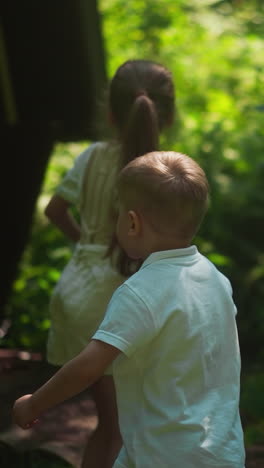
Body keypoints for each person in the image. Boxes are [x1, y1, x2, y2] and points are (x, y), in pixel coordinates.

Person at [13, 151, 245, 468]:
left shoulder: (140, 292)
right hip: (220, 450)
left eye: (118, 214)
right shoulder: (215, 280)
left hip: (161, 455)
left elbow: (88, 366)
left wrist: (34, 404)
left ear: (132, 222)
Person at [43, 60, 175, 467]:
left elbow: (54, 209)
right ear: (167, 115)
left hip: (76, 292)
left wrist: (89, 242)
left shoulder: (92, 155)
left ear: (110, 112)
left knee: (112, 424)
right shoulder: (161, 171)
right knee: (121, 427)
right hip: (112, 302)